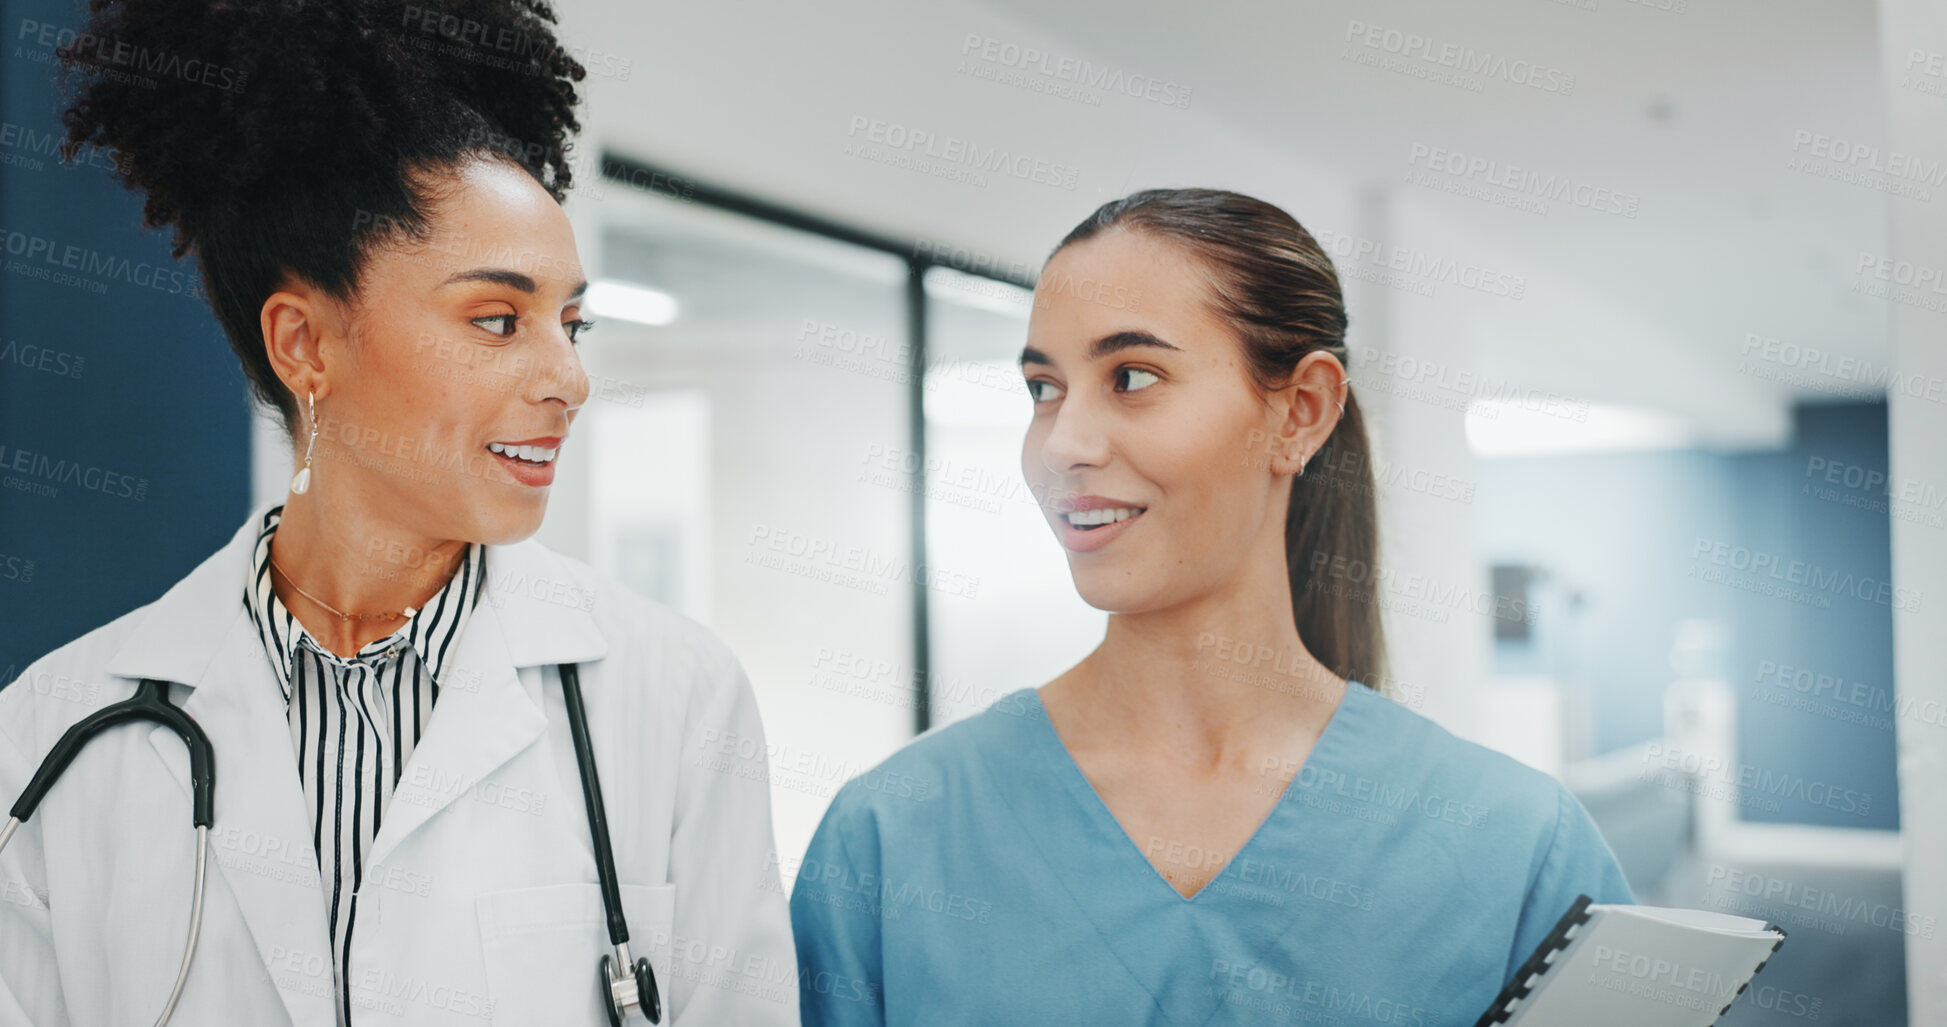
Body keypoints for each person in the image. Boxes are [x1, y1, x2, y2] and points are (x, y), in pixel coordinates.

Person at [0, 1, 797, 1023]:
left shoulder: (674, 700)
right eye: (498, 320)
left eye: (571, 323)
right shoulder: (52, 732)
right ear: (305, 345)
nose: (569, 378)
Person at [789, 188, 1634, 1025]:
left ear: (1300, 412)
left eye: (1131, 376)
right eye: (1044, 388)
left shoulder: (1515, 846)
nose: (1064, 445)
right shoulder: (891, 838)